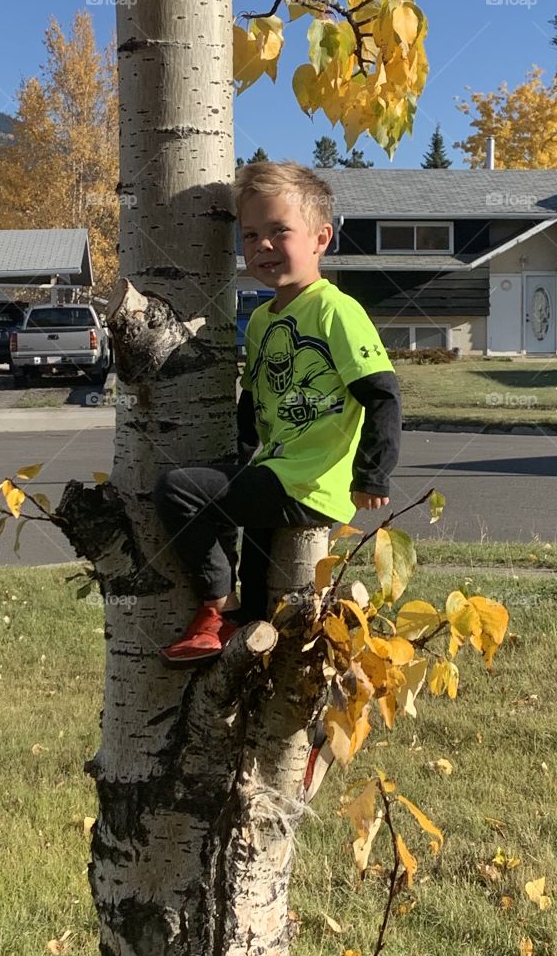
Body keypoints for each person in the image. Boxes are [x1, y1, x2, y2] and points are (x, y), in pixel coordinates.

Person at [153, 160, 402, 664]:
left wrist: (373, 474)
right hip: (276, 473)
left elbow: (382, 393)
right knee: (261, 575)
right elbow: (255, 399)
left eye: (278, 231)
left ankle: (214, 609)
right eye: (250, 236)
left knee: (178, 489)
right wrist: (242, 458)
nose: (263, 246)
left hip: (312, 482)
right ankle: (250, 644)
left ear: (320, 238)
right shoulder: (263, 320)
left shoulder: (336, 310)